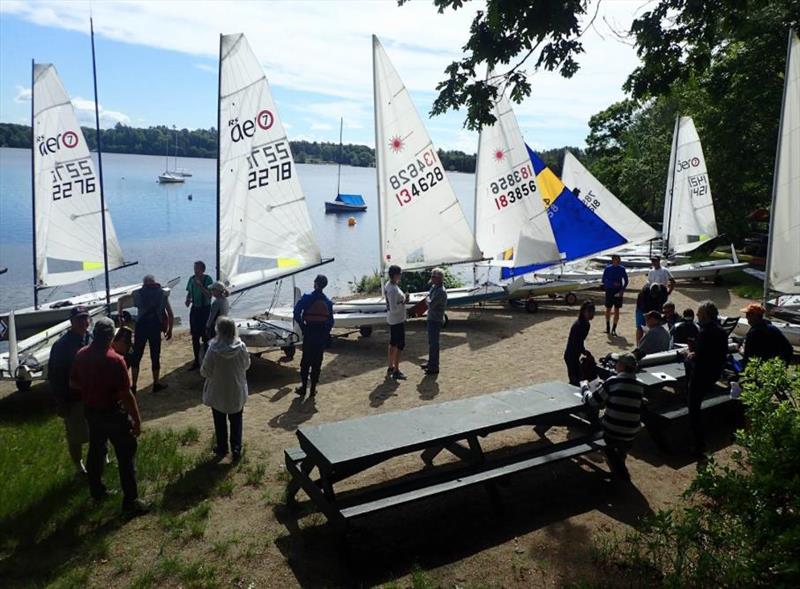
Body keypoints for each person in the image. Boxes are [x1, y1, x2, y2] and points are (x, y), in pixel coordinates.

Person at [70, 317, 147, 515]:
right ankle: (131, 501)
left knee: (96, 451)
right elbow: (126, 395)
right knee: (126, 454)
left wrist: (90, 388)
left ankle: (97, 491)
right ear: (111, 337)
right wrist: (137, 420)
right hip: (113, 413)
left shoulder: (81, 354)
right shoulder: (115, 360)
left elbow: (73, 383)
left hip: (91, 411)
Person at [581, 352, 644, 481]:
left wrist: (585, 388)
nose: (615, 365)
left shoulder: (613, 381)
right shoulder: (640, 384)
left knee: (594, 423)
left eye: (617, 363)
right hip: (632, 431)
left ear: (622, 366)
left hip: (613, 429)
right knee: (621, 435)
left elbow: (592, 401)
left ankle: (611, 458)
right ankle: (619, 457)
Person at [47, 306, 92, 477]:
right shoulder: (62, 345)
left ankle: (102, 457)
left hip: (92, 395)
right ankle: (78, 465)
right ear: (71, 322)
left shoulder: (90, 337)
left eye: (86, 318)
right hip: (73, 398)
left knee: (96, 429)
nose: (83, 322)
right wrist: (61, 401)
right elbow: (55, 375)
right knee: (75, 435)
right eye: (79, 319)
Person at [201, 316, 250, 461]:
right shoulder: (241, 347)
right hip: (236, 389)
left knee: (219, 420)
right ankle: (236, 448)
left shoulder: (213, 349)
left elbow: (205, 371)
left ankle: (222, 447)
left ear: (219, 331)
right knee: (236, 420)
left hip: (218, 392)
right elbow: (247, 365)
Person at [684, 300, 728, 455]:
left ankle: (698, 443)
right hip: (714, 372)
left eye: (700, 314)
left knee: (693, 409)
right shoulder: (721, 331)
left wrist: (691, 355)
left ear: (707, 316)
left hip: (701, 374)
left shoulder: (704, 332)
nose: (697, 316)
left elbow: (701, 357)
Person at [118, 275, 174, 393]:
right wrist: (169, 329)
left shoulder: (138, 293)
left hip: (141, 328)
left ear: (144, 283)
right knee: (155, 356)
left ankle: (134, 386)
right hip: (155, 328)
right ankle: (156, 383)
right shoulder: (162, 294)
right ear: (154, 282)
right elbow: (170, 314)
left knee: (136, 356)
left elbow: (120, 300)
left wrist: (120, 317)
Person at [293, 275, 334, 397]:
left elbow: (296, 312)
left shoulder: (307, 297)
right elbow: (330, 321)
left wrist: (302, 326)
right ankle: (313, 389)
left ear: (315, 283)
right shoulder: (327, 301)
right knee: (317, 362)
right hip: (321, 334)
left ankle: (304, 387)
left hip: (309, 331)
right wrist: (325, 333)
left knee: (306, 361)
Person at [185, 261, 213, 370]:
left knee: (206, 336)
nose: (195, 270)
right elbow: (189, 291)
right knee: (194, 336)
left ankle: (207, 360)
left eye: (197, 268)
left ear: (203, 270)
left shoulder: (208, 279)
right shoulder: (191, 279)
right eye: (194, 268)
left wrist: (200, 286)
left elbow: (209, 296)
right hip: (195, 310)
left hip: (205, 310)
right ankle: (196, 360)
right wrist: (187, 299)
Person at [384, 265, 409, 380]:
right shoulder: (393, 289)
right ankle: (396, 370)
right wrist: (404, 301)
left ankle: (390, 366)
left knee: (393, 343)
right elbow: (394, 309)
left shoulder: (389, 285)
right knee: (400, 344)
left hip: (393, 319)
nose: (401, 275)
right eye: (399, 274)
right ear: (395, 275)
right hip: (397, 320)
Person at [421, 268, 447, 375]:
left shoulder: (440, 291)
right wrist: (428, 299)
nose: (431, 278)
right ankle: (431, 363)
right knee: (431, 342)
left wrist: (427, 300)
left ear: (439, 278)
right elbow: (429, 299)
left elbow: (430, 303)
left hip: (435, 319)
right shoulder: (434, 287)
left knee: (434, 343)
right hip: (431, 317)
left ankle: (434, 367)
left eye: (433, 276)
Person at [564, 300, 596, 385]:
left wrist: (585, 352)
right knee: (575, 380)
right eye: (589, 312)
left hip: (575, 354)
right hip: (571, 355)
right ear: (583, 312)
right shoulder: (579, 325)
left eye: (593, 312)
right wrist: (584, 352)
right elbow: (577, 343)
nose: (591, 314)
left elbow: (580, 341)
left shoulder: (586, 324)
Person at [601, 254, 628, 336]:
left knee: (617, 310)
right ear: (613, 260)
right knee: (608, 309)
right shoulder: (608, 268)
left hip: (618, 291)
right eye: (616, 259)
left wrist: (622, 290)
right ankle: (608, 327)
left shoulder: (622, 269)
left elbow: (626, 281)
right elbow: (603, 280)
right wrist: (611, 283)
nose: (618, 261)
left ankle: (614, 329)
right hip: (609, 291)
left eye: (619, 260)